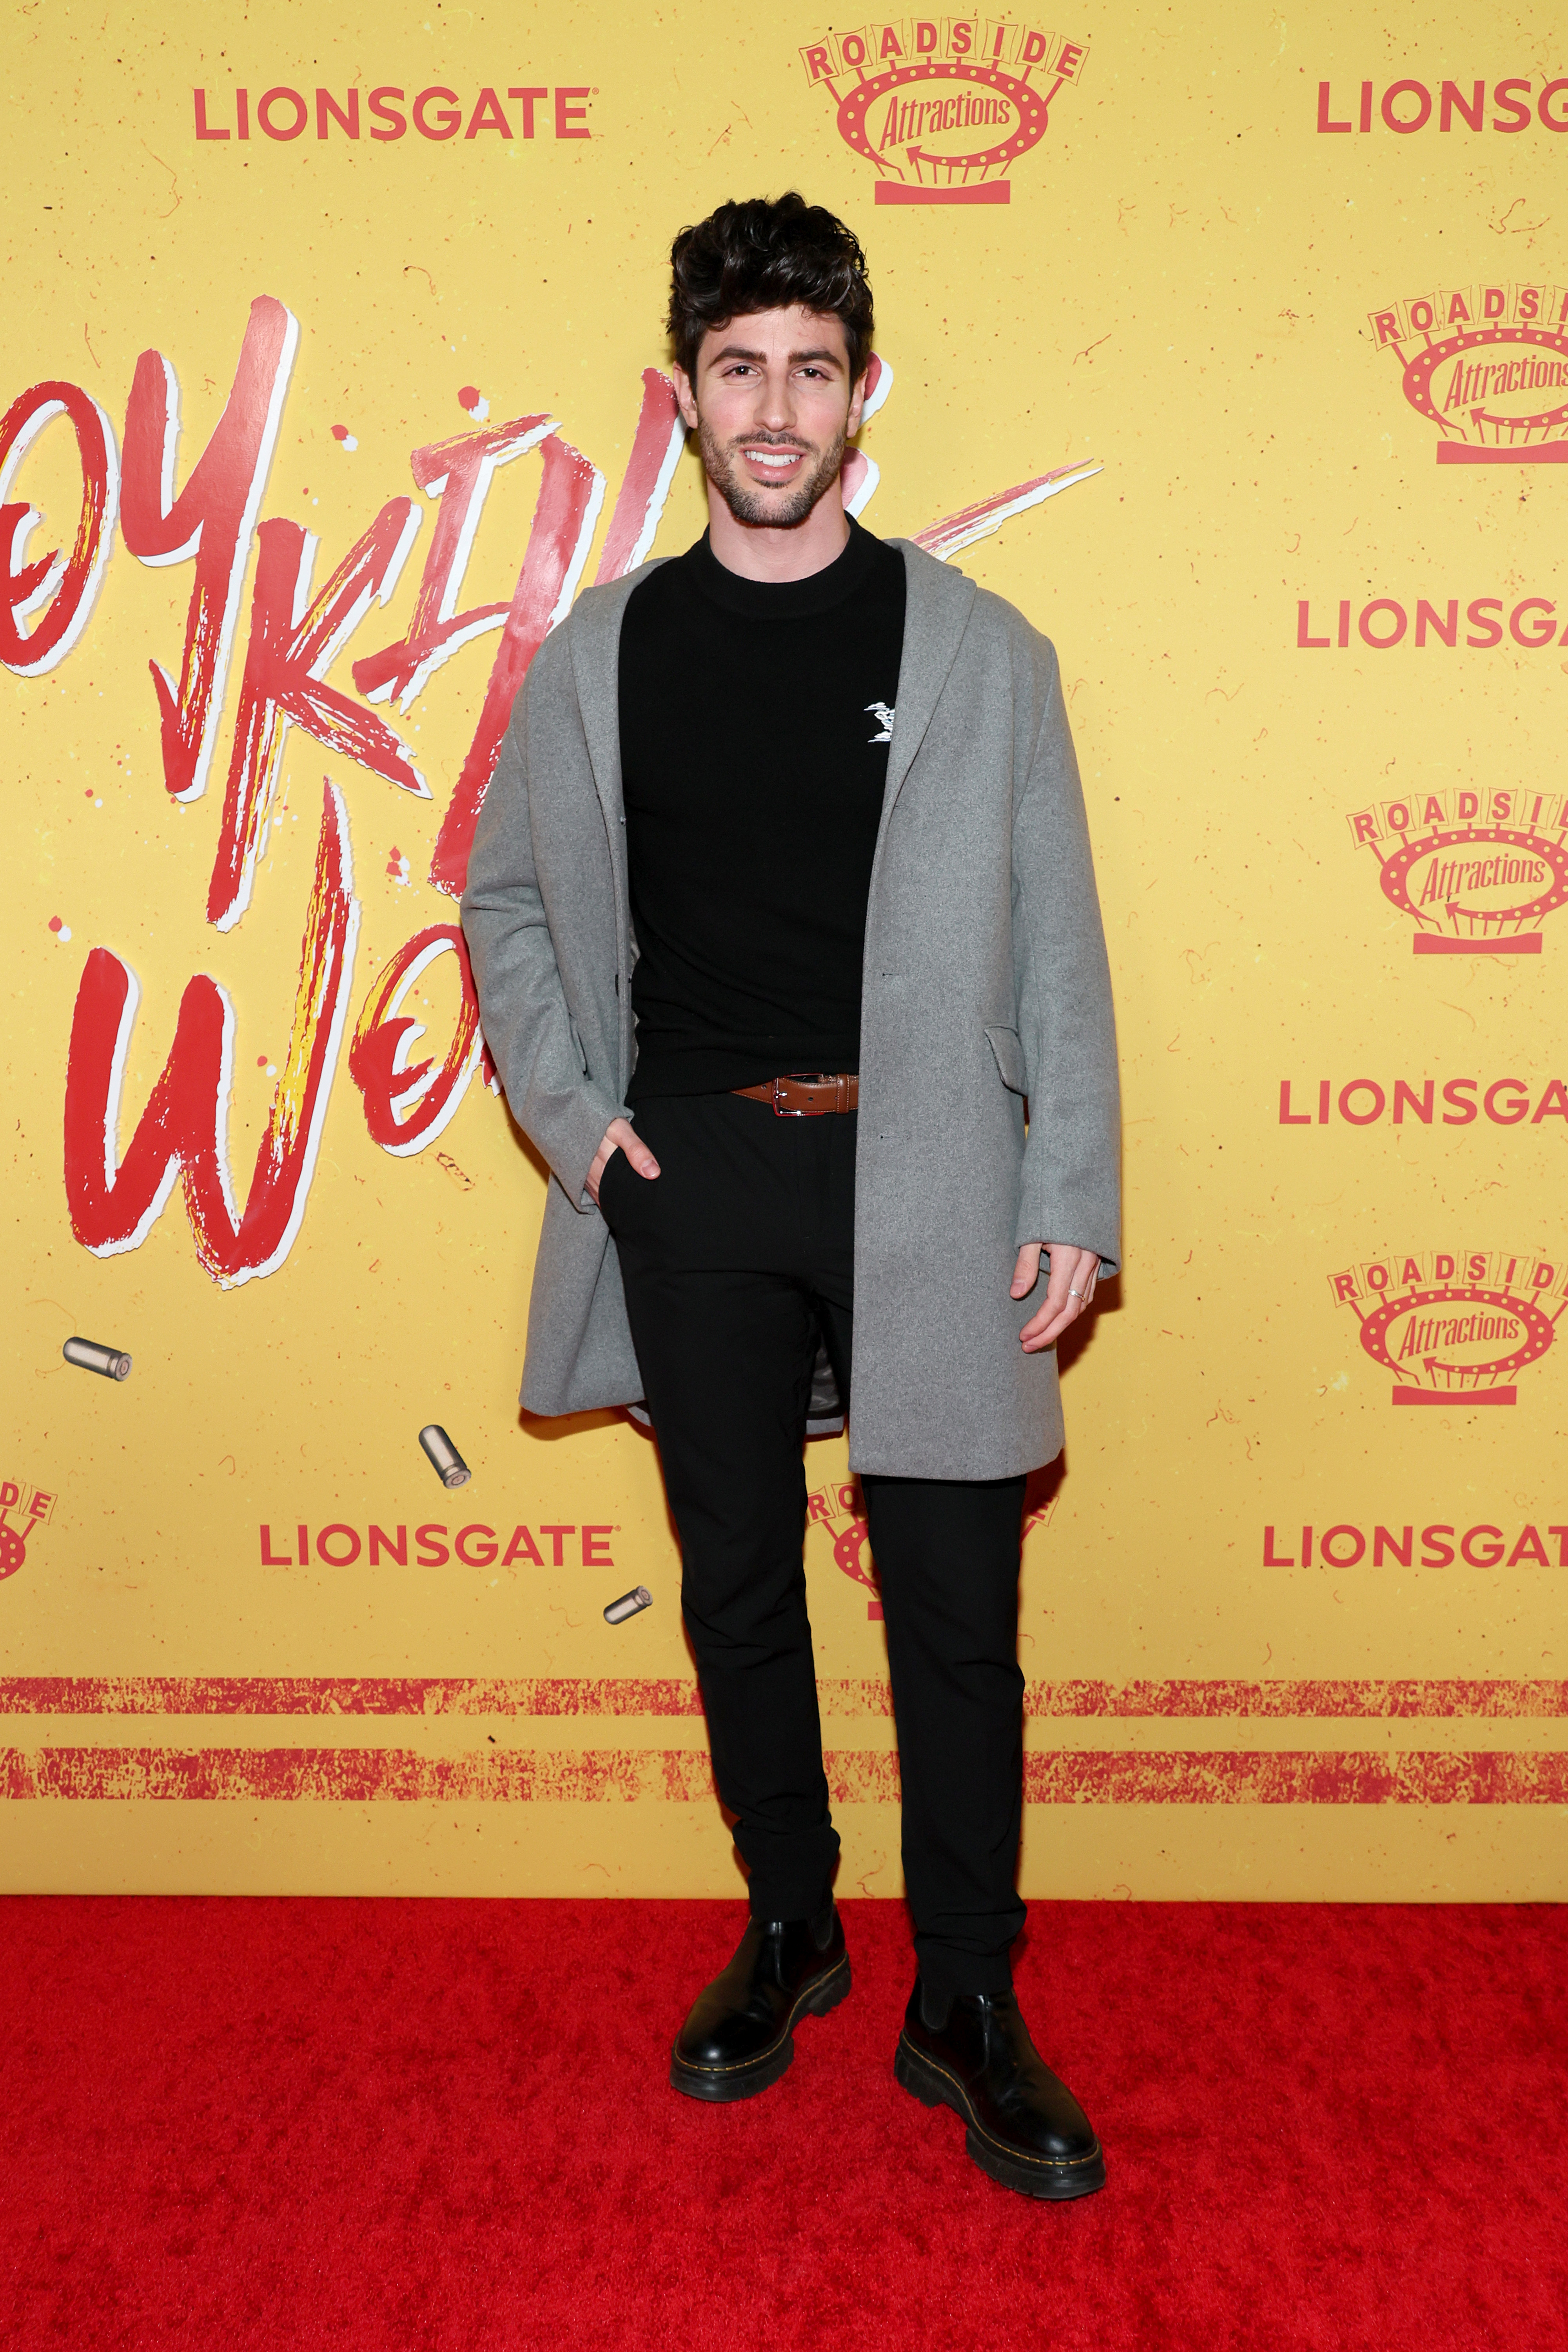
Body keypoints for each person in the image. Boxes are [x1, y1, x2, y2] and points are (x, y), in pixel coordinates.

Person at [462, 193, 1120, 2202]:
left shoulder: (984, 655)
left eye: (809, 372)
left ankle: (970, 2003)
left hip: (936, 1170)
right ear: (683, 402)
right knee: (741, 1591)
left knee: (955, 1616)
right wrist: (582, 1126)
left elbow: (1061, 948)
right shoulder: (601, 657)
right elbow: (503, 901)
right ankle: (794, 1925)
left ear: (862, 398)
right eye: (736, 371)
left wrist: (1073, 1182)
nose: (773, 407)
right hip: (698, 1171)